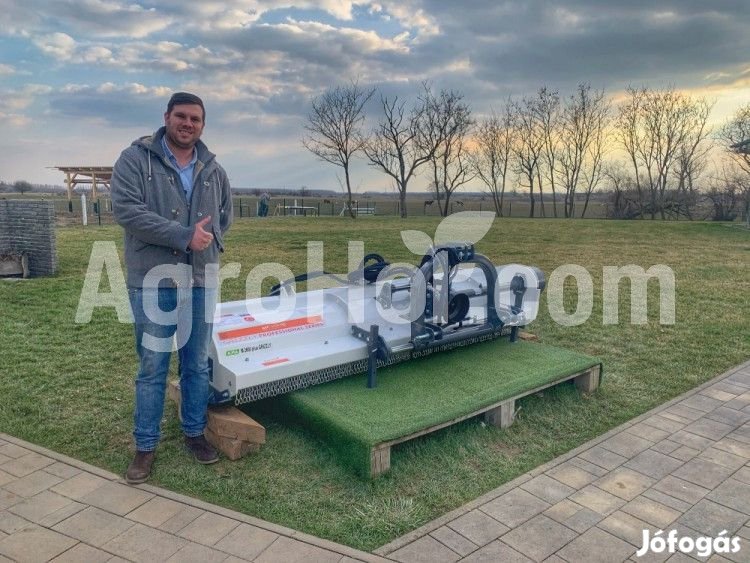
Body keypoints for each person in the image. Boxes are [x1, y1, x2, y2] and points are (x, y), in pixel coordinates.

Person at [111, 92, 233, 484]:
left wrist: (205, 243)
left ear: (203, 124)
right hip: (153, 280)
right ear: (166, 117)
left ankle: (194, 433)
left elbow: (224, 217)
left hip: (200, 280)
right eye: (181, 116)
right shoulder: (136, 160)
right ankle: (145, 446)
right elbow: (128, 211)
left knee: (196, 362)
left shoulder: (213, 169)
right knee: (153, 366)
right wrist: (183, 236)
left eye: (195, 119)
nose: (188, 124)